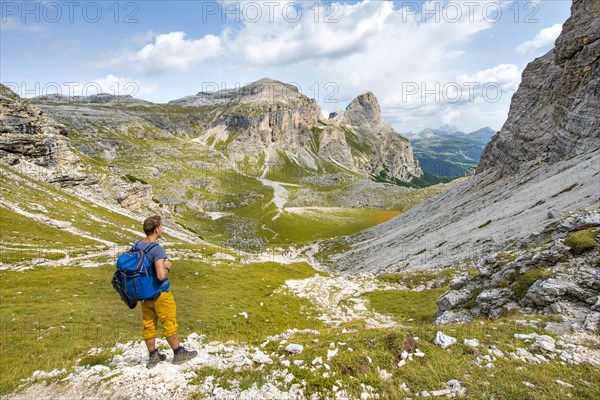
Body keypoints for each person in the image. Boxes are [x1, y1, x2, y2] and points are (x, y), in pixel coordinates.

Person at [135, 215, 197, 367]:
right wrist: (167, 265)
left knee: (149, 324)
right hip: (160, 294)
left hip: (144, 294)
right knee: (168, 322)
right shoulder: (157, 250)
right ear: (156, 230)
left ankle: (153, 355)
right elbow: (161, 275)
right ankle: (178, 353)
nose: (162, 229)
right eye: (161, 227)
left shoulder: (137, 245)